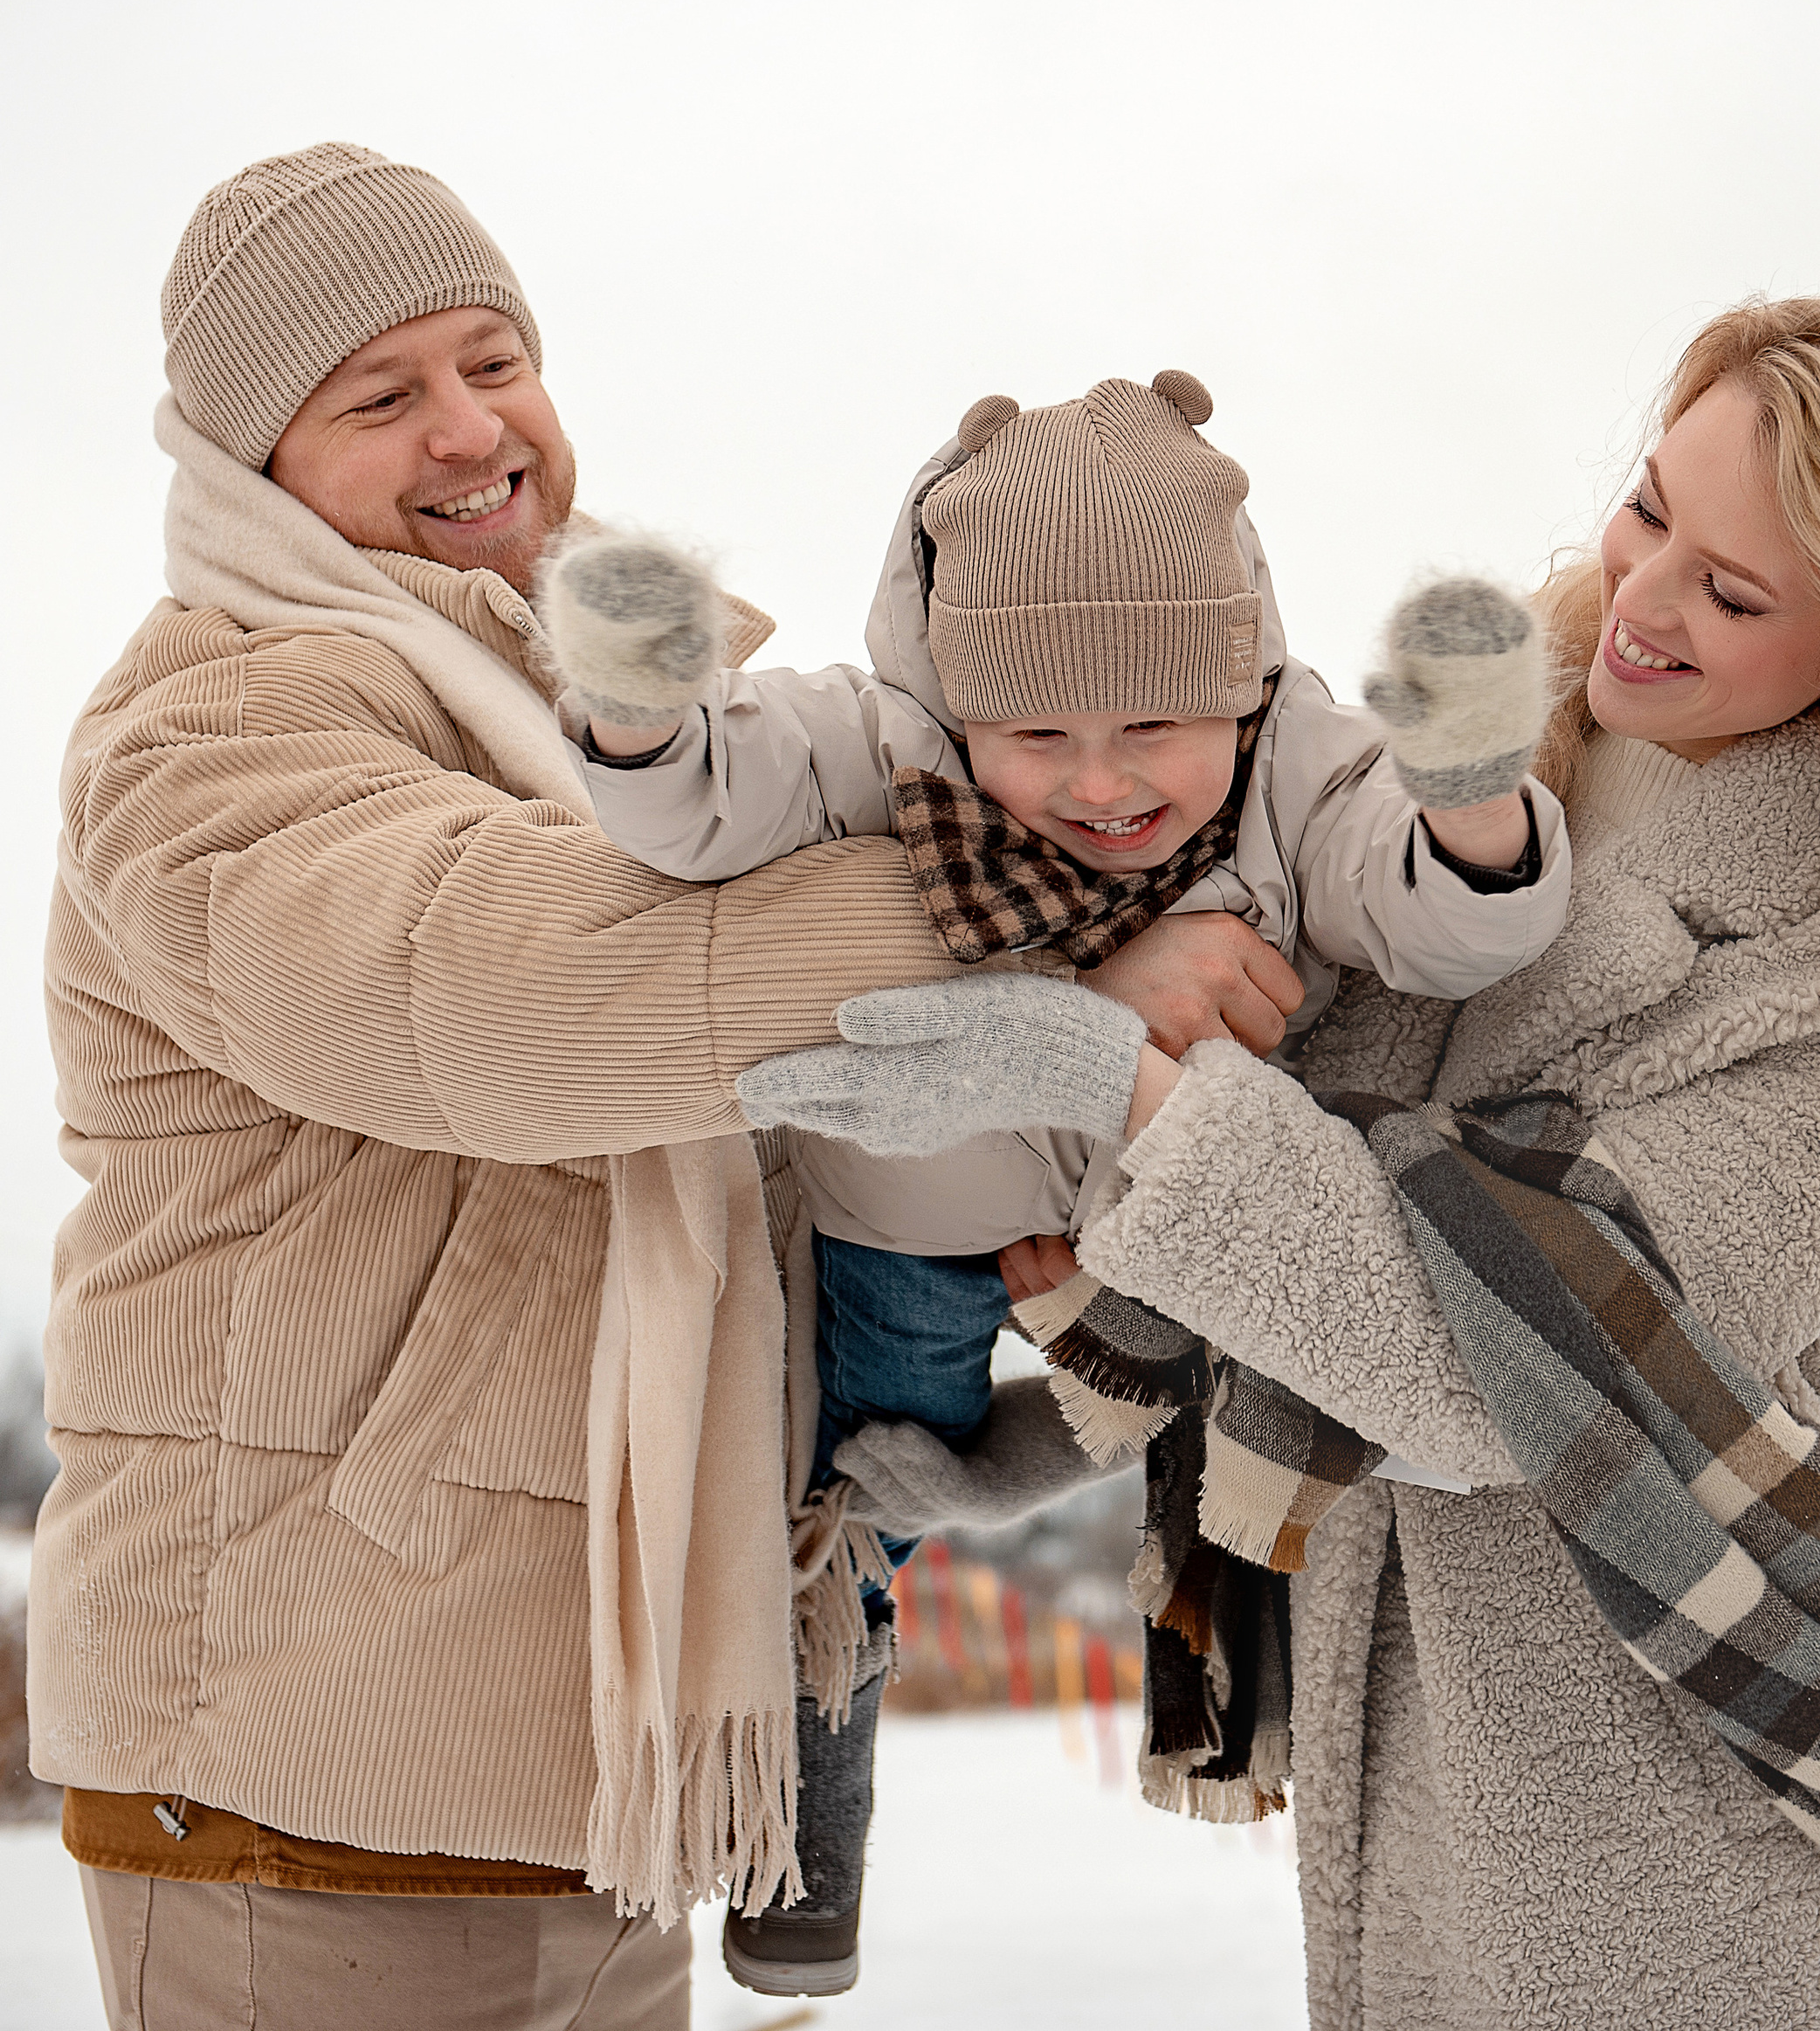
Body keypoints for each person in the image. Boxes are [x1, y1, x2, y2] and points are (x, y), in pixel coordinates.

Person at [740, 284, 1820, 2031]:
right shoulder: (1469, 810)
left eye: (1731, 591)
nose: (1640, 597)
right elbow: (1295, 1245)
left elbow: (1494, 1380)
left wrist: (1097, 1065)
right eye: (1649, 509)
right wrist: (1047, 1432)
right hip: (1424, 1809)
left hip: (1699, 1856)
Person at [31, 142, 1284, 2031]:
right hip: (304, 1769)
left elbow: (782, 1141)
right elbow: (509, 996)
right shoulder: (216, 721)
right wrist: (1053, 921)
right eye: (380, 394)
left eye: (494, 359)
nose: (471, 426)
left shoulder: (620, 730)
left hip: (585, 1783)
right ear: (249, 458)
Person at [533, 370, 1575, 1993]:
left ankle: (1293, 1765)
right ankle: (805, 1857)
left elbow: (1434, 918)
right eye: (1039, 739)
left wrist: (1473, 796)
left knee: (1235, 1449)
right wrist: (643, 719)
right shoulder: (882, 740)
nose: (1101, 786)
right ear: (961, 706)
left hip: (1171, 1250)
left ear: (1240, 683)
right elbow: (711, 813)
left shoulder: (1299, 769)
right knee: (848, 1510)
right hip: (909, 1229)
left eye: (1153, 729)